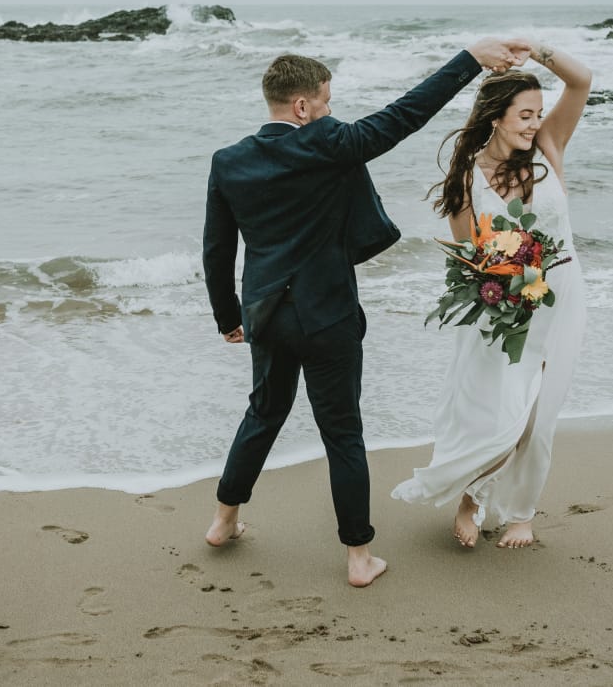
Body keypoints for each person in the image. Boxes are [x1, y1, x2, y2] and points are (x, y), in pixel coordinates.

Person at [202, 37, 532, 587]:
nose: (332, 112)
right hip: (327, 315)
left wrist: (227, 316)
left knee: (262, 414)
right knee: (342, 433)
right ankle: (359, 558)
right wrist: (472, 59)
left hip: (266, 314)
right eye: (327, 102)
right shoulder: (328, 143)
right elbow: (405, 115)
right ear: (304, 107)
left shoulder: (229, 161)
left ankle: (222, 521)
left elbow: (216, 250)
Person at [391, 43, 592, 549]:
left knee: (539, 412)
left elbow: (582, 80)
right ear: (496, 119)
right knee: (496, 407)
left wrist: (535, 49)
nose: (533, 123)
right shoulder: (466, 179)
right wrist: (501, 287)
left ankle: (521, 512)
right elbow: (468, 255)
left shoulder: (548, 148)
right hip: (504, 300)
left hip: (562, 290)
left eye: (537, 114)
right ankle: (470, 496)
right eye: (524, 115)